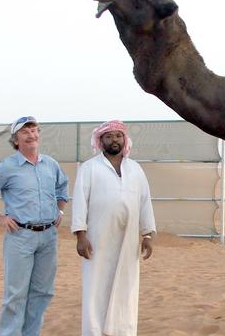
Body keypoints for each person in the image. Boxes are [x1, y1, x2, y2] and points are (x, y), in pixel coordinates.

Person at [0, 116, 69, 336]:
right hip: (20, 237)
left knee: (43, 291)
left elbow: (62, 187)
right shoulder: (7, 167)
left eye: (35, 130)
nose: (31, 135)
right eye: (25, 132)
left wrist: (60, 210)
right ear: (15, 140)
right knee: (15, 295)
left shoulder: (51, 164)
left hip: (48, 237)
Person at [71, 120, 156, 336]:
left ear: (124, 139)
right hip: (97, 238)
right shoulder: (89, 168)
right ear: (101, 141)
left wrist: (147, 235)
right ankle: (94, 331)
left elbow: (145, 202)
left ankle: (122, 330)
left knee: (126, 286)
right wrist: (80, 235)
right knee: (96, 286)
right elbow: (80, 201)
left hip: (128, 240)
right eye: (108, 136)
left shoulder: (135, 169)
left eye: (118, 135)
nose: (114, 140)